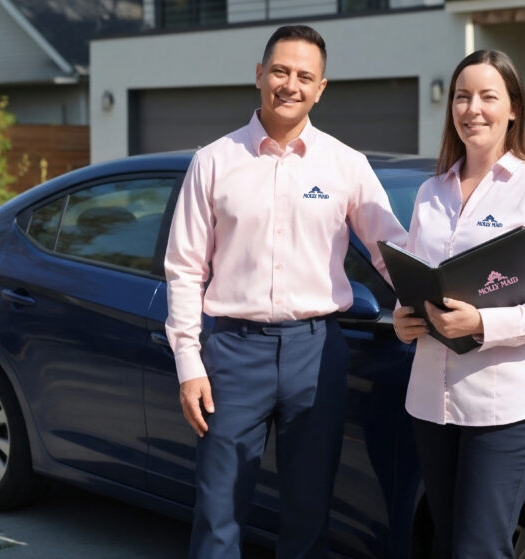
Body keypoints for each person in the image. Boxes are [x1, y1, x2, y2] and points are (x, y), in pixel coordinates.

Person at [163, 25, 406, 559]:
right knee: (218, 515)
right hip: (230, 354)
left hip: (316, 354)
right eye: (280, 71)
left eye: (304, 76)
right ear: (258, 76)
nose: (289, 84)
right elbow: (183, 268)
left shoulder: (346, 164)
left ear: (321, 88)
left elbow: (393, 252)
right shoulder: (214, 161)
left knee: (308, 513)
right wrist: (189, 363)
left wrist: (442, 300)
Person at [392, 49, 525, 558]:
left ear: (513, 108)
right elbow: (417, 281)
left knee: (479, 549)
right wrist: (404, 318)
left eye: (487, 96)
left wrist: (483, 322)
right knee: (448, 543)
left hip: (505, 408)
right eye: (462, 96)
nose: (471, 108)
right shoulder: (430, 193)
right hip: (432, 405)